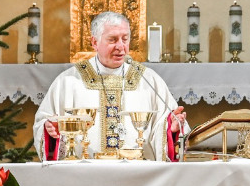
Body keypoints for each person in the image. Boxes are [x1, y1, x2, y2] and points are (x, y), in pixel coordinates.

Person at [35, 11, 187, 161]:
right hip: (85, 174)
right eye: (113, 40)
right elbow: (45, 122)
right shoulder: (68, 82)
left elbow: (166, 124)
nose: (121, 46)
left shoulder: (148, 80)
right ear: (94, 42)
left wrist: (171, 129)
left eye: (125, 39)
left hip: (136, 174)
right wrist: (50, 129)